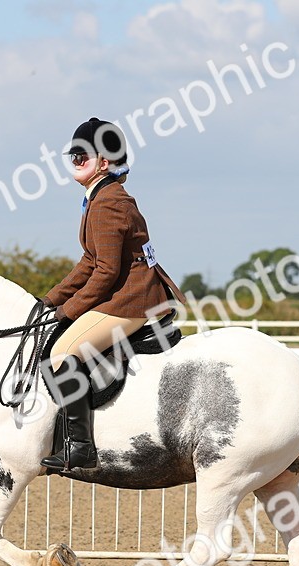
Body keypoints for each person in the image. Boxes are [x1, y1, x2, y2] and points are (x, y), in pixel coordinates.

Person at [39, 117, 185, 471]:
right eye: (72, 154)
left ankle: (81, 448)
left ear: (104, 162)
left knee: (61, 353)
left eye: (83, 154)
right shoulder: (100, 196)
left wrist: (67, 311)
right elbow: (90, 261)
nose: (75, 159)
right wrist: (48, 300)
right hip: (126, 294)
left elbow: (105, 272)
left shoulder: (108, 202)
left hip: (132, 300)